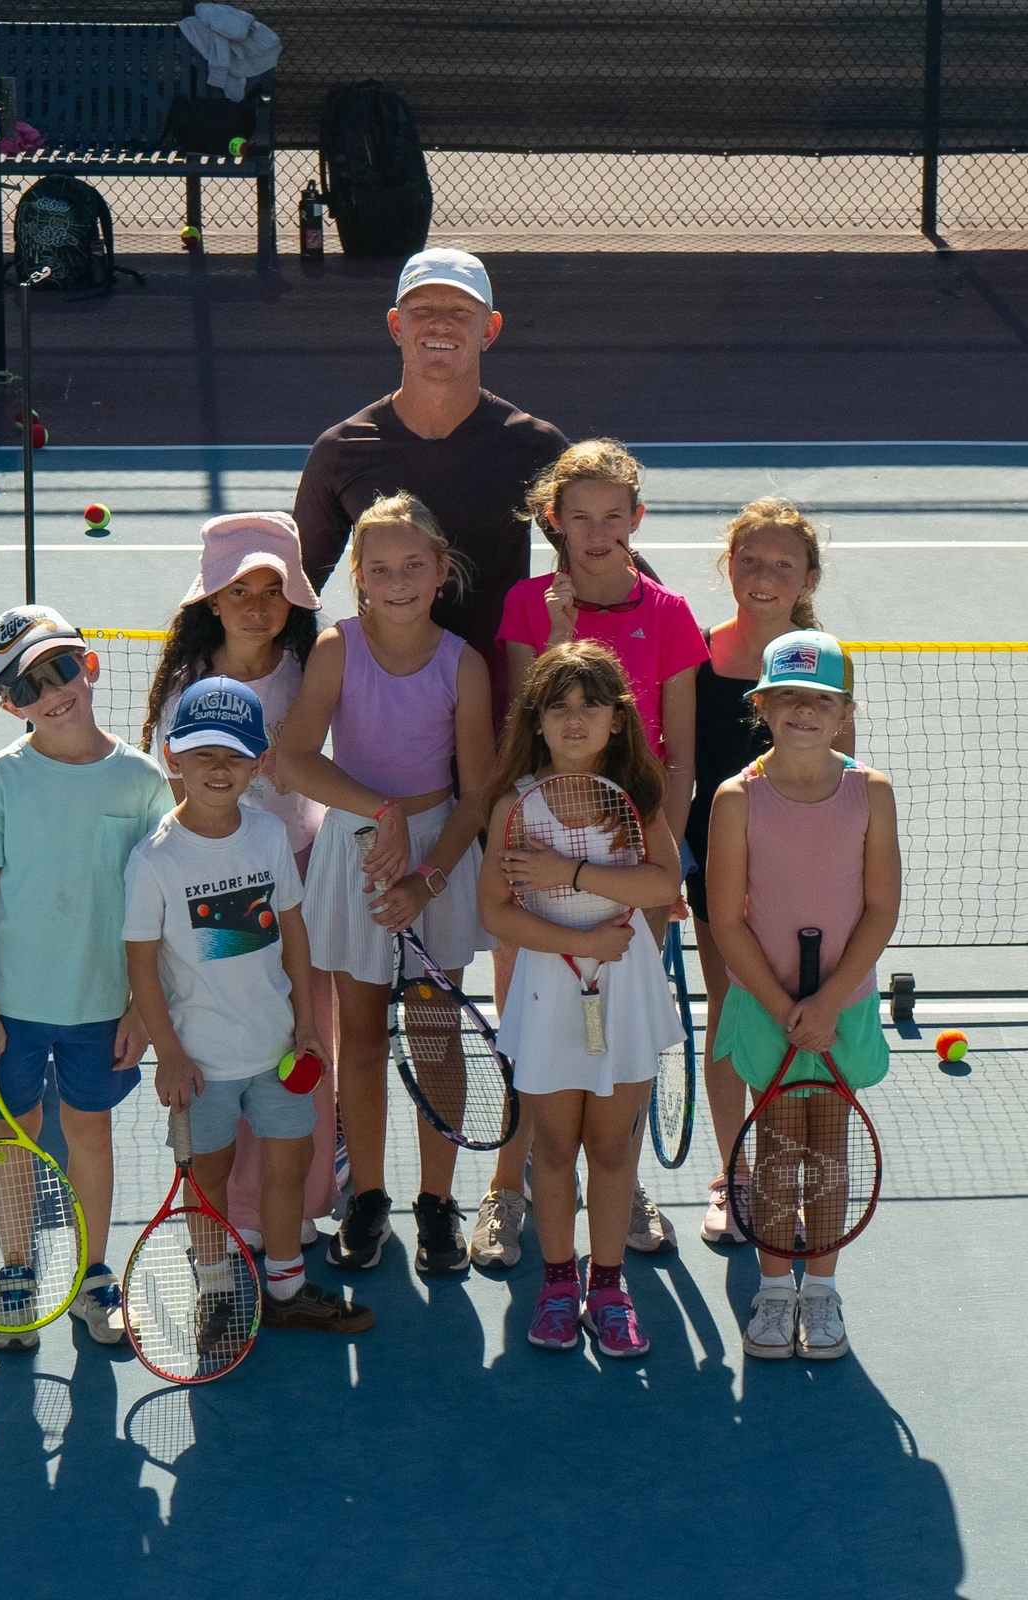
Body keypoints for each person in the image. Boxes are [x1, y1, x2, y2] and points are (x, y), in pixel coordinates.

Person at [469, 438, 707, 1267]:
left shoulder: (672, 614)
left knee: (617, 1054)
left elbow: (675, 754)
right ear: (554, 524)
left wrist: (655, 864)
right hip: (539, 859)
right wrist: (564, 629)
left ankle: (622, 1184)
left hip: (633, 857)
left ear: (636, 520)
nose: (598, 533)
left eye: (614, 517)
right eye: (581, 519)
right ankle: (508, 1189)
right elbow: (525, 732)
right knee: (531, 1038)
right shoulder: (529, 605)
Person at [278, 492, 496, 1275]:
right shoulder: (337, 650)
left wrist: (428, 882)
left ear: (440, 570)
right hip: (353, 851)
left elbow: (476, 794)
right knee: (360, 1038)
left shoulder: (462, 665)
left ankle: (436, 1202)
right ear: (359, 580)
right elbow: (295, 757)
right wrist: (380, 812)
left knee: (436, 1036)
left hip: (435, 862)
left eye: (413, 565)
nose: (397, 580)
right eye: (379, 569)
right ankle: (368, 1198)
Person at [0, 606, 171, 1354]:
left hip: (102, 1006)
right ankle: (17, 1271)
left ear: (91, 666)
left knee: (88, 1132)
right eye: (28, 686)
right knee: (12, 1143)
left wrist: (143, 1009)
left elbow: (158, 909)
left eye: (62, 668)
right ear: (9, 706)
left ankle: (90, 1276)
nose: (53, 691)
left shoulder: (144, 783)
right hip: (11, 1013)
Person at [124, 677, 371, 1334]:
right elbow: (142, 965)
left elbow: (291, 928)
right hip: (199, 1066)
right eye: (202, 754)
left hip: (278, 1052)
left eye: (235, 755)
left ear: (259, 763)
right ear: (172, 756)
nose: (218, 769)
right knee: (208, 1183)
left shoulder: (266, 837)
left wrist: (308, 1027)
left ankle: (287, 1288)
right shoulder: (153, 861)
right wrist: (168, 1052)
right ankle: (214, 1293)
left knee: (287, 1170)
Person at [138, 512, 340, 1253]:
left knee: (300, 1045)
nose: (258, 605)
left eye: (274, 588)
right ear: (211, 601)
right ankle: (237, 1212)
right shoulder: (187, 689)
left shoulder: (314, 668)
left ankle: (299, 1199)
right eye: (238, 588)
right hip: (220, 904)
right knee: (237, 1053)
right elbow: (174, 809)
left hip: (303, 887)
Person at [479, 642, 685, 1358]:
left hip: (623, 994)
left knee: (610, 1148)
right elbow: (496, 914)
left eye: (590, 706)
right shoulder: (514, 804)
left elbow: (663, 886)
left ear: (617, 722)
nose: (574, 720)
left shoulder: (635, 800)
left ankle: (608, 1286)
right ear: (535, 722)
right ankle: (559, 1284)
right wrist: (579, 943)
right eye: (558, 708)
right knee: (557, 1148)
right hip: (545, 995)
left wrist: (567, 871)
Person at [705, 630, 900, 1360]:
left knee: (828, 1149)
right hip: (767, 1009)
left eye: (820, 700)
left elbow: (880, 908)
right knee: (779, 1147)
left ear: (844, 712)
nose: (804, 712)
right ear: (763, 706)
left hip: (840, 1010)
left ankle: (820, 1291)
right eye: (788, 697)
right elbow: (726, 918)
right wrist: (785, 1006)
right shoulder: (735, 799)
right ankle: (772, 1289)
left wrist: (828, 1004)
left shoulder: (871, 793)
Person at [292, 248, 569, 723]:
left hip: (500, 713)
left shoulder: (535, 448)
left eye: (460, 312)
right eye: (423, 311)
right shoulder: (340, 451)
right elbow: (294, 591)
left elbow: (601, 560)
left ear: (489, 330)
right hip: (382, 718)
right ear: (397, 326)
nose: (440, 325)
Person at [683, 499, 849, 1244]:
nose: (762, 576)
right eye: (749, 560)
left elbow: (844, 781)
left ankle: (794, 1174)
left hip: (804, 877)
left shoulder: (826, 662)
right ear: (729, 567)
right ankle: (736, 1176)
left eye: (782, 564)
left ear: (807, 575)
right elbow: (681, 763)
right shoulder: (695, 652)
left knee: (803, 1021)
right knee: (733, 1014)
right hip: (718, 863)